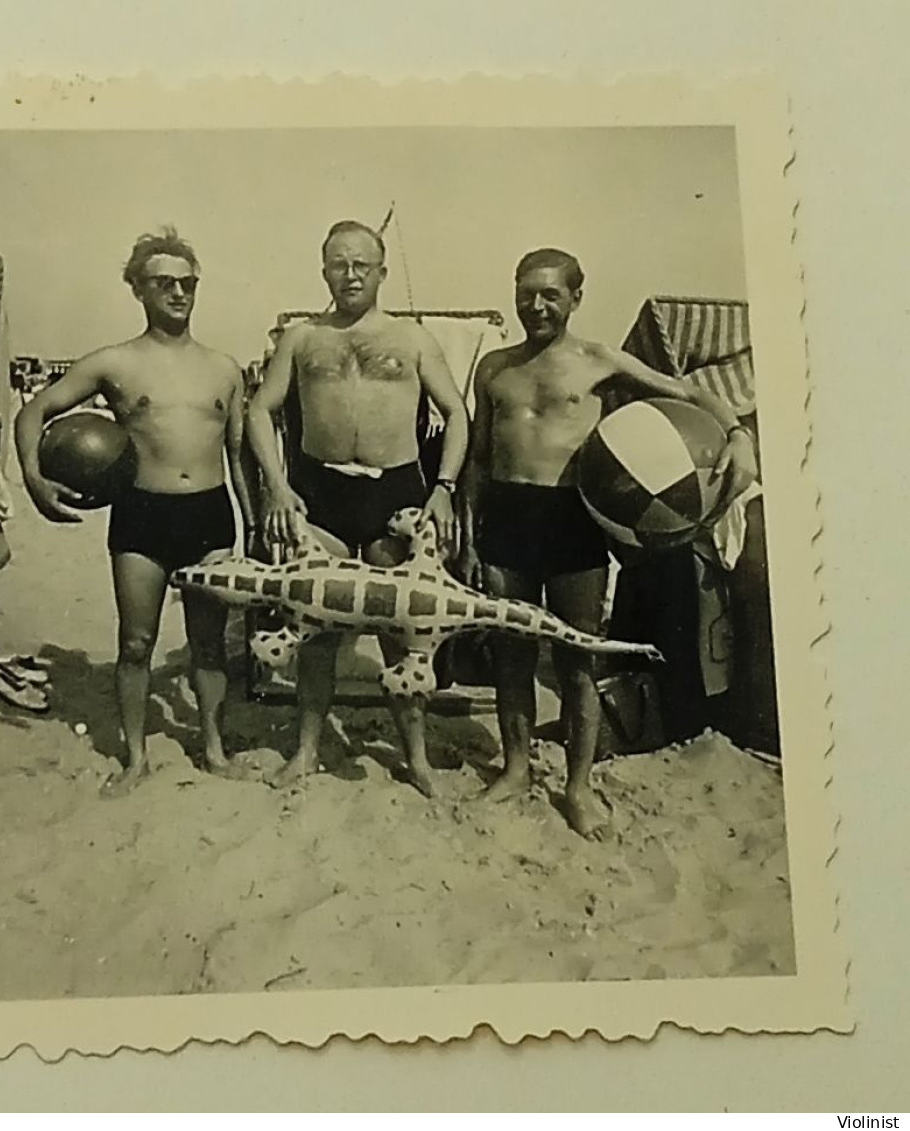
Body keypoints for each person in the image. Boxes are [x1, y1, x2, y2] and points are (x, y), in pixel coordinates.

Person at [461, 248, 758, 838]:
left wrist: (737, 435)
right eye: (527, 292)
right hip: (507, 518)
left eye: (550, 294)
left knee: (577, 661)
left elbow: (692, 393)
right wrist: (469, 534)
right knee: (512, 654)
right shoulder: (494, 367)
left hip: (572, 519)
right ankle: (516, 769)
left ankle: (577, 788)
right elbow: (477, 456)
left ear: (576, 297)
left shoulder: (600, 361)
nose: (537, 305)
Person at [14, 227, 256, 793]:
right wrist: (32, 477)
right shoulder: (114, 363)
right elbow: (35, 411)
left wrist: (251, 527)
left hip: (210, 515)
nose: (177, 292)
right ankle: (136, 759)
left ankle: (216, 750)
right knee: (135, 643)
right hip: (142, 515)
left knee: (209, 642)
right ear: (138, 290)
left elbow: (239, 455)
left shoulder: (225, 368)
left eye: (187, 282)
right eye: (162, 282)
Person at [247, 219, 469, 797]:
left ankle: (415, 757)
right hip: (320, 493)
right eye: (338, 264)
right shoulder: (300, 338)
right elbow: (258, 411)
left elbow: (457, 415)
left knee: (404, 631)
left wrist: (443, 487)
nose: (349, 274)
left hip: (395, 492)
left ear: (382, 273)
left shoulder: (413, 339)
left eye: (361, 265)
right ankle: (305, 751)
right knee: (315, 624)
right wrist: (276, 484)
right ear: (323, 270)